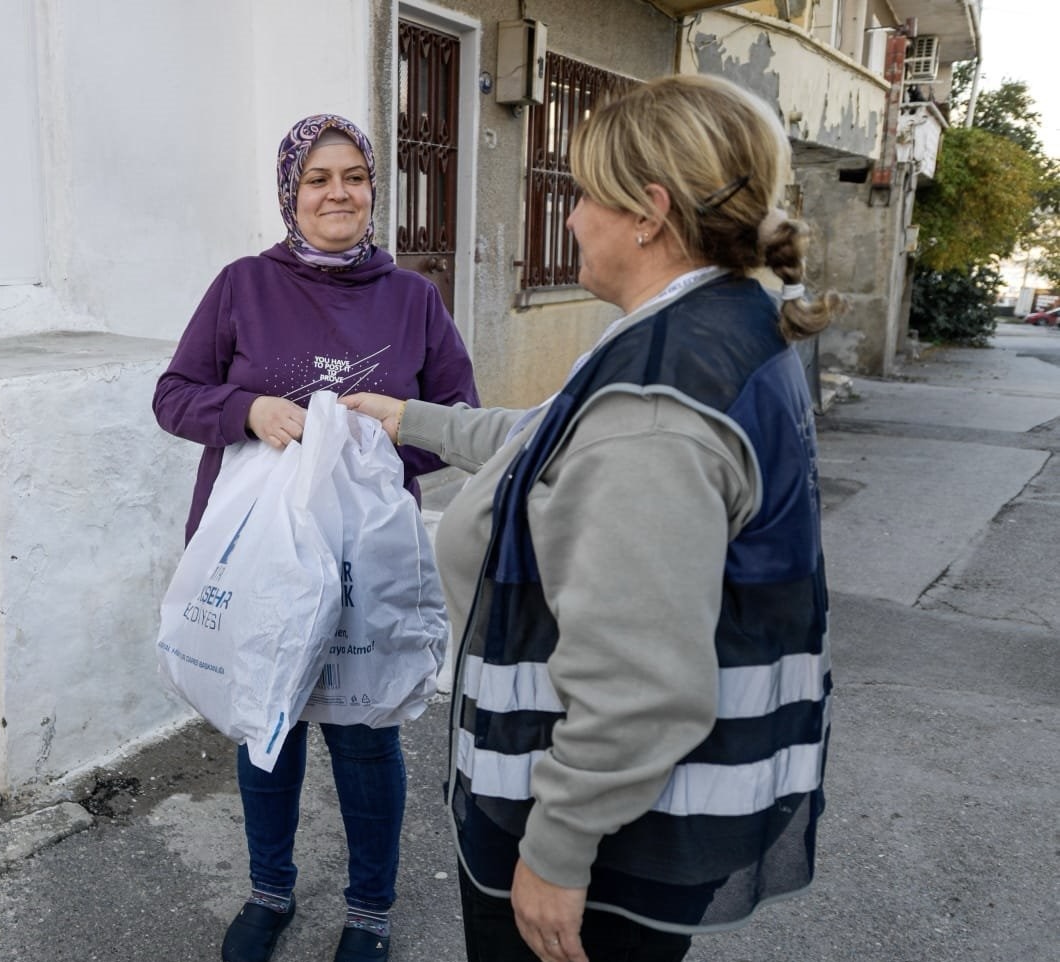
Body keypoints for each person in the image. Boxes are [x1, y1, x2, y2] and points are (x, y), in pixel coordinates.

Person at [343, 74, 837, 962]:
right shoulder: (719, 327)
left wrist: (557, 851)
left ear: (648, 212)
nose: (568, 218)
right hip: (657, 809)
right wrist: (411, 418)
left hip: (605, 836)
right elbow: (558, 440)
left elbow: (640, 683)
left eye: (580, 195)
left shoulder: (658, 404)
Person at [153, 113, 478, 962]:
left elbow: (457, 418)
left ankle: (369, 910)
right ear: (290, 195)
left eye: (354, 177)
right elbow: (174, 394)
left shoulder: (413, 299)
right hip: (262, 553)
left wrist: (380, 437)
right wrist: (248, 411)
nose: (338, 194)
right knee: (270, 723)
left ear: (375, 189)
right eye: (317, 180)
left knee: (366, 734)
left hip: (366, 563)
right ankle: (270, 892)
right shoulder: (242, 286)